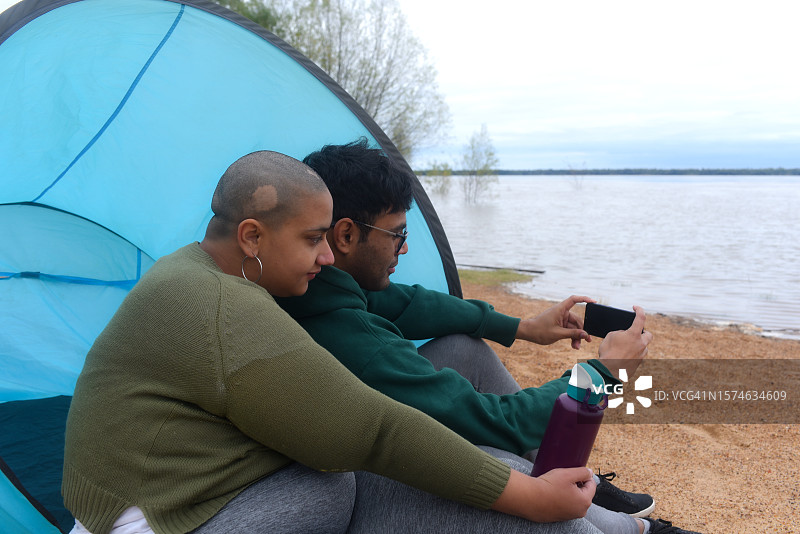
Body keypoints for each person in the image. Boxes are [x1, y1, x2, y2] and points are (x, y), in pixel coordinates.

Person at [62, 150, 617, 534]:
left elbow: (401, 303)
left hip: (156, 482)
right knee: (335, 485)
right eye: (312, 241)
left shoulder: (196, 270)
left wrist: (517, 326)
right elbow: (376, 431)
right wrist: (535, 492)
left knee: (359, 467)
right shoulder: (228, 308)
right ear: (252, 236)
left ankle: (598, 509)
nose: (326, 257)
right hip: (152, 514)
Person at [276, 139, 702, 534]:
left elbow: (410, 304)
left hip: (346, 448)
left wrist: (522, 328)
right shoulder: (353, 339)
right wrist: (602, 373)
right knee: (498, 465)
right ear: (347, 235)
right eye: (398, 234)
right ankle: (626, 525)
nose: (403, 249)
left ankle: (573, 480)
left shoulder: (311, 282)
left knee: (463, 349)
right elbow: (497, 422)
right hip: (354, 488)